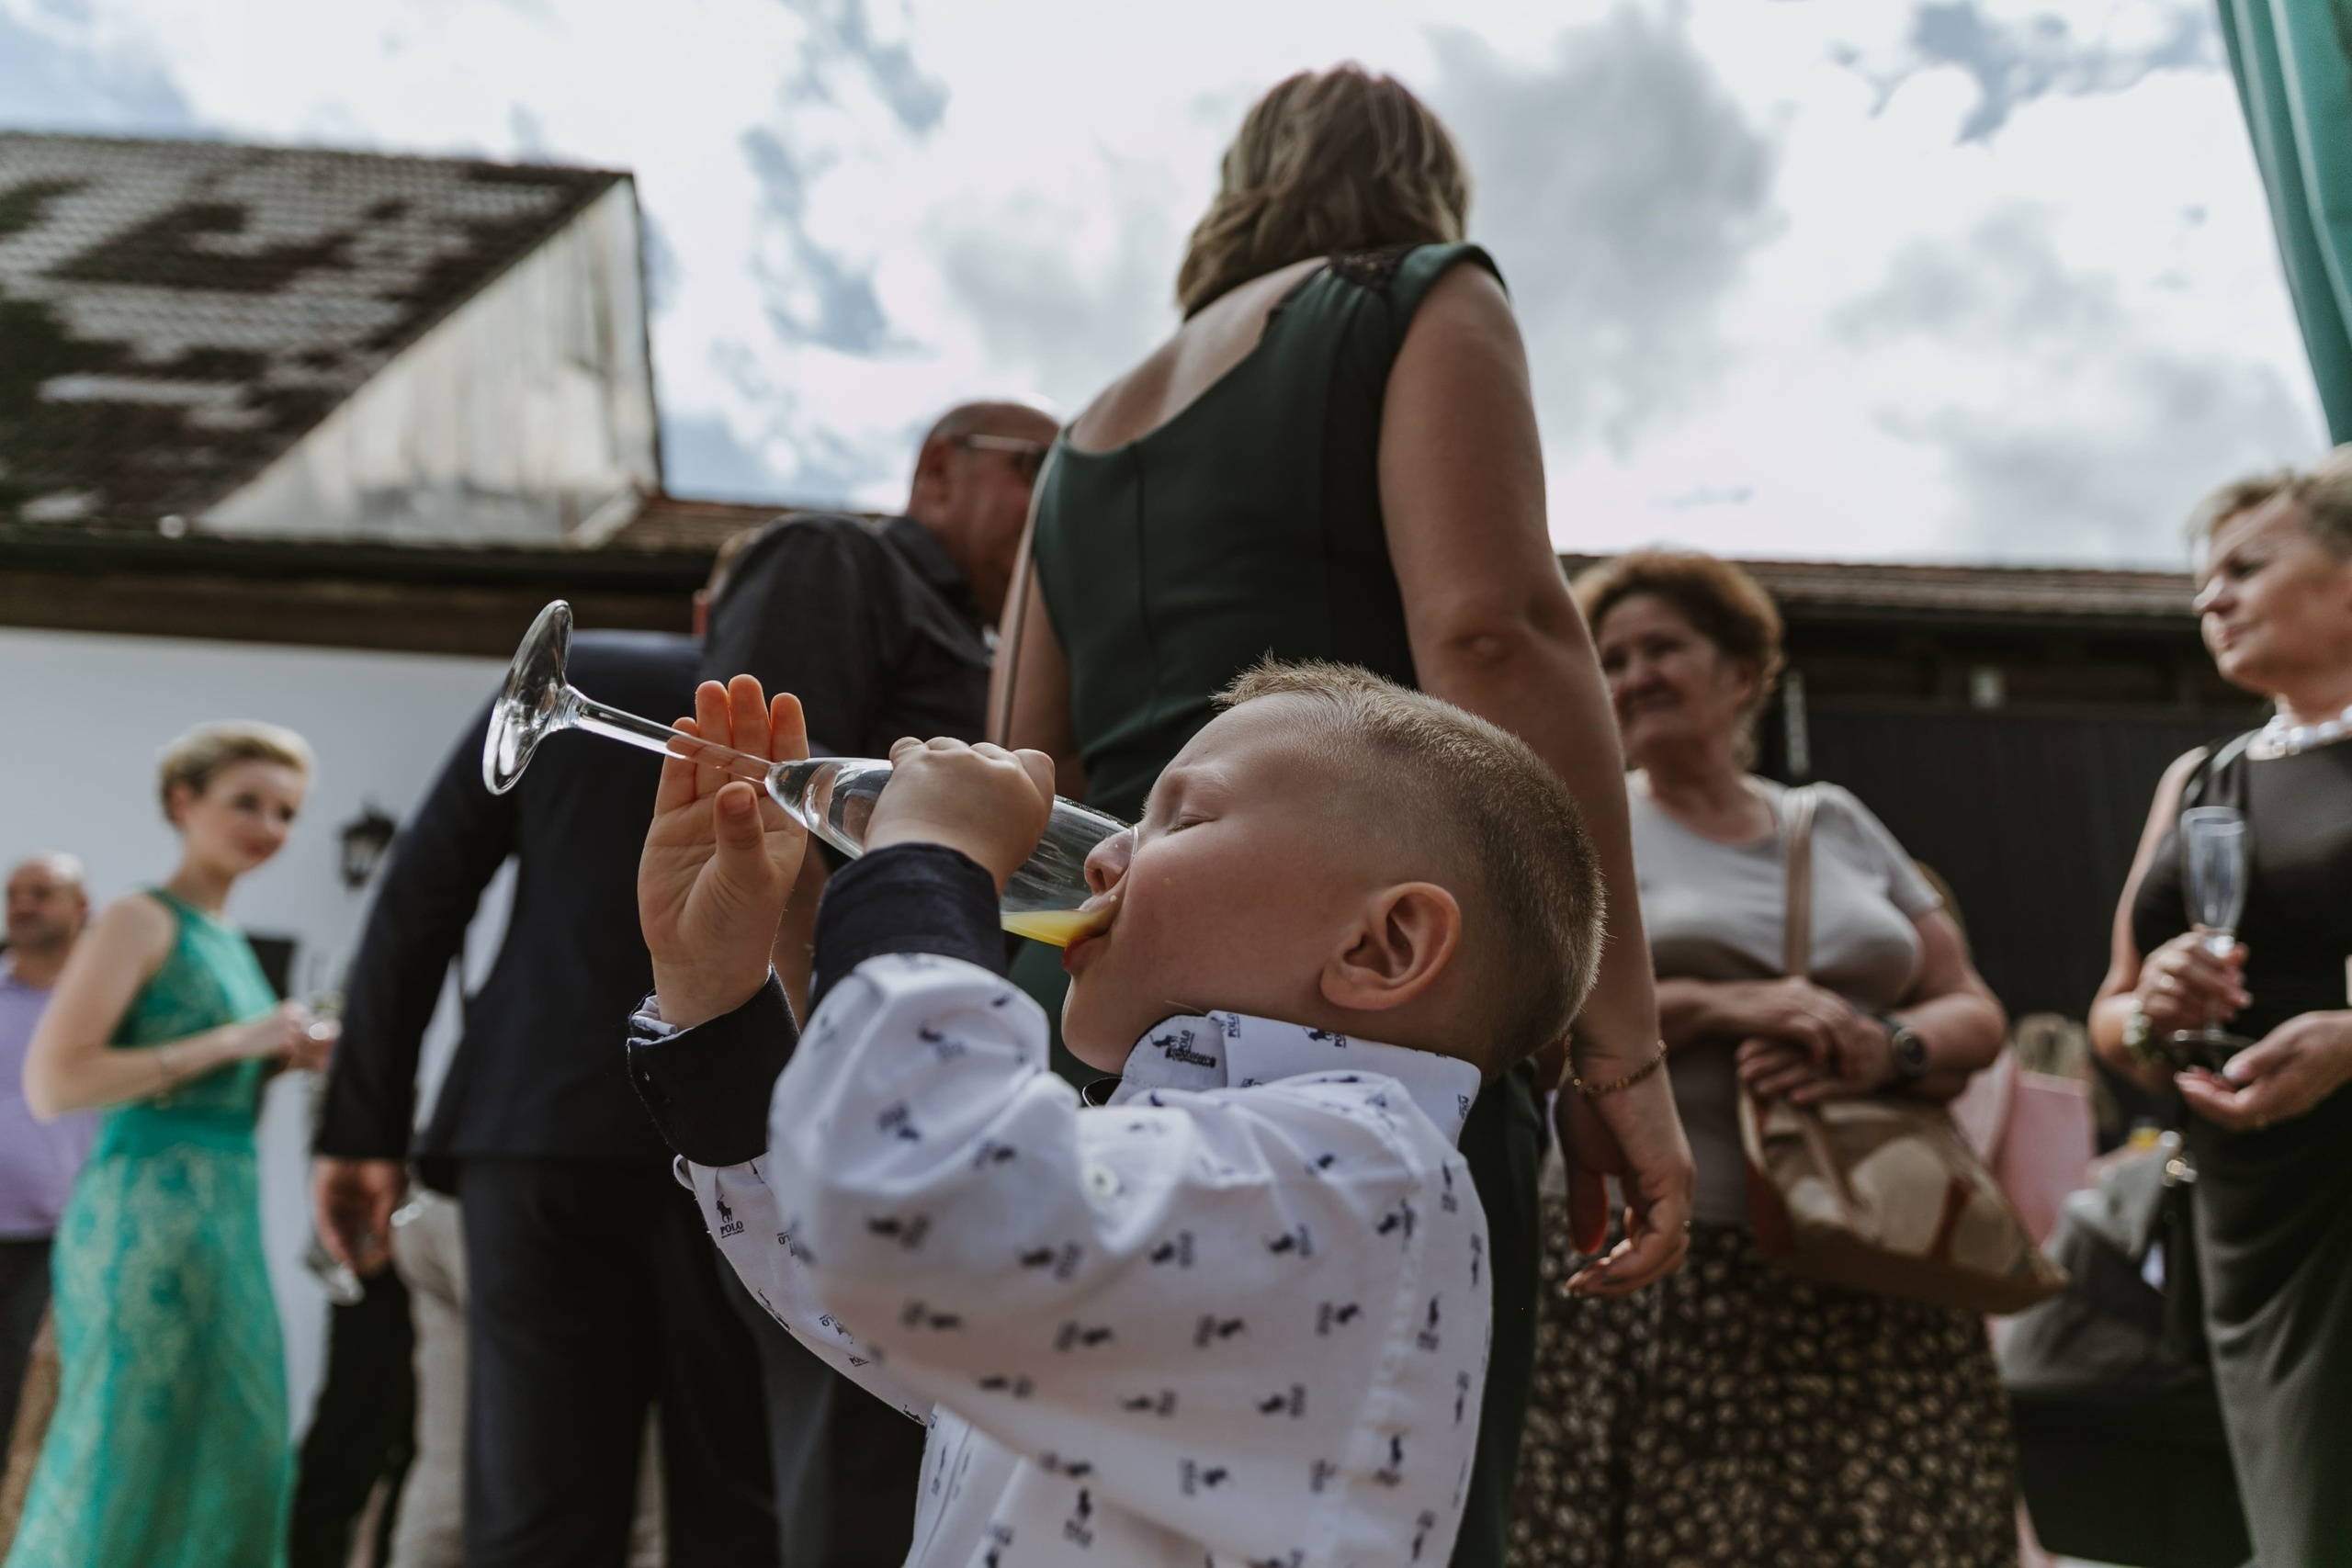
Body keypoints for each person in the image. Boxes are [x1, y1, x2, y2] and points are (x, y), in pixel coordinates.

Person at [989, 66, 1691, 1567]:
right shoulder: (1416, 298)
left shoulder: (1076, 440)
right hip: (1364, 976)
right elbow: (1496, 635)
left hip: (1092, 991)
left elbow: (1019, 779)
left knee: (1069, 1483)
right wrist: (1614, 1032)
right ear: (1426, 190)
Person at [625, 660, 1607, 1568]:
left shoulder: (1362, 1174)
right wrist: (713, 993)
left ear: (1382, 947)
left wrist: (932, 863)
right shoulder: (1173, 1163)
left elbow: (910, 1219)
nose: (1101, 860)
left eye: (1181, 819)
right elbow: (849, 1272)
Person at [1510, 551, 2016, 1567]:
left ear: (1742, 673)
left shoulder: (1829, 820)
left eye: (1662, 648)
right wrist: (1721, 1003)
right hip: (1677, 1255)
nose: (1633, 675)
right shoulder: (1579, 826)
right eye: (1609, 659)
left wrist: (1888, 1047)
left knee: (1888, 1530)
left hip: (1873, 1248)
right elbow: (1534, 1023)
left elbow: (1971, 1008)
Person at [311, 608, 777, 1565]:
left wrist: (363, 1125)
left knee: (535, 1507)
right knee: (733, 1496)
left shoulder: (594, 667)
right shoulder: (822, 686)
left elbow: (421, 892)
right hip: (746, 1128)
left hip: (539, 1120)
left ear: (704, 608)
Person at [698, 397, 1059, 1568]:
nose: (1057, 506)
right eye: (1038, 471)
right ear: (939, 469)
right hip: (843, 1100)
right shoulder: (836, 560)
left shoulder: (1005, 635)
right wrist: (827, 1070)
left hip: (935, 1106)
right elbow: (765, 809)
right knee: (853, 1477)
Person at [2088, 453, 2352, 1567]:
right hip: (2242, 1221)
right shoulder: (2201, 776)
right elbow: (2105, 1015)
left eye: (2247, 566)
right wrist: (2152, 1011)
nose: (2211, 598)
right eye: (2202, 581)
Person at [9, 723, 333, 1568]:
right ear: (183, 803)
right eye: (247, 802)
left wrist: (278, 1054)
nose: (268, 825)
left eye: (287, 811)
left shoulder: (223, 935)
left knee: (240, 1444)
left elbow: (212, 1062)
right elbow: (55, 1082)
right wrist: (236, 1041)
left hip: (222, 1215)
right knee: (133, 1446)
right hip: (143, 1215)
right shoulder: (135, 916)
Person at [0, 855, 92, 1445]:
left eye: (42, 892)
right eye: (14, 892)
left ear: (81, 907)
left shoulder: (101, 1007)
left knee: (23, 1395)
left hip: (58, 1239)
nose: (24, 904)